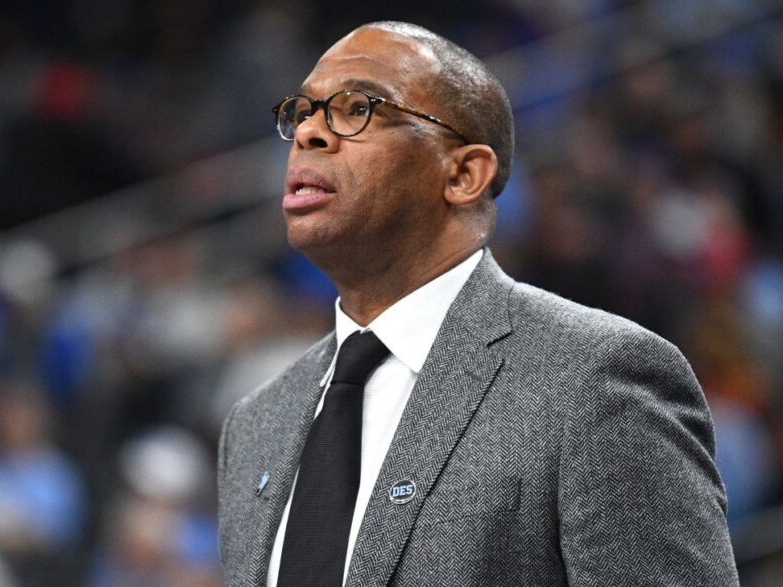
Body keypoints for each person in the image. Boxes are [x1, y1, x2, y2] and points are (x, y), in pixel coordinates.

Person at [217, 21, 738, 586]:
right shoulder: (255, 425)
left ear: (464, 174)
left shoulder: (595, 379)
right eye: (302, 112)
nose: (309, 133)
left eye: (358, 108)